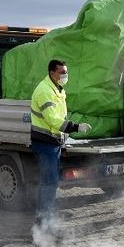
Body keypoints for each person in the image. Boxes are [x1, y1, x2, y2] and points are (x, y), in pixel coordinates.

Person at [30, 60, 91, 236]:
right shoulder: (44, 91)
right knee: (49, 182)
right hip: (45, 143)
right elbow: (53, 119)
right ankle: (43, 224)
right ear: (52, 72)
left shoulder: (56, 89)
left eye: (66, 72)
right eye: (62, 72)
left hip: (53, 142)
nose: (65, 75)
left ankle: (45, 222)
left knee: (51, 182)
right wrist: (75, 127)